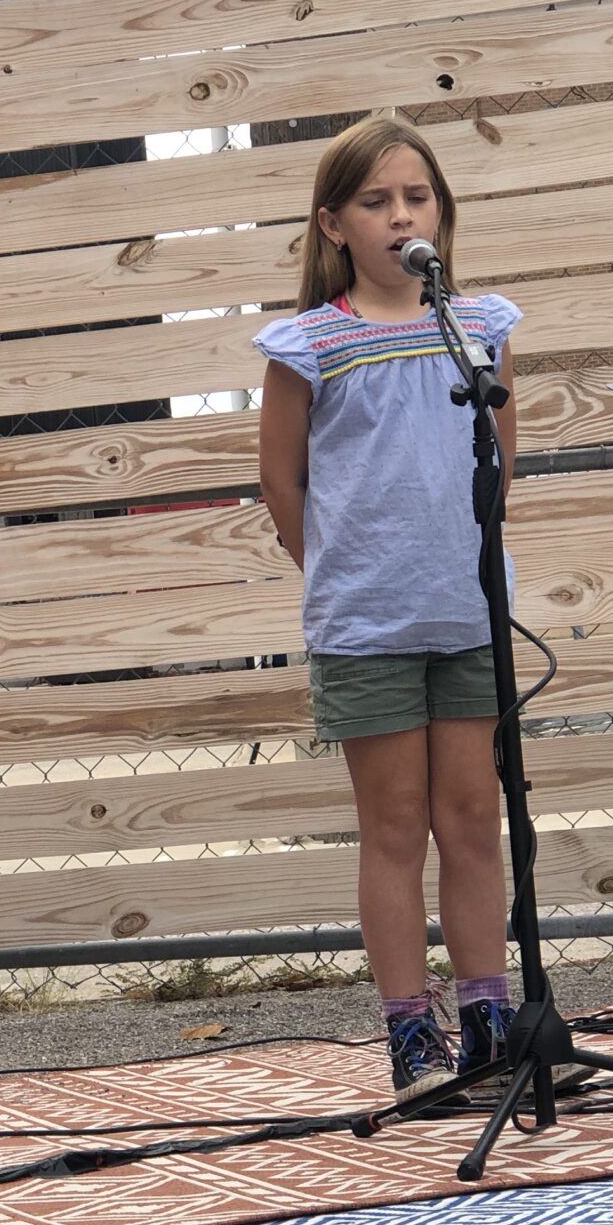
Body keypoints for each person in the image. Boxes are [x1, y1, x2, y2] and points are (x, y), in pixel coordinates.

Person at [255, 115, 520, 1104]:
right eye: (377, 201)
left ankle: (492, 1017)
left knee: (472, 814)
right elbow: (283, 483)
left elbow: (501, 455)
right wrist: (340, 568)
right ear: (335, 225)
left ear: (442, 214)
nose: (402, 214)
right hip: (367, 625)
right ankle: (413, 1033)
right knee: (396, 824)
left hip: (468, 613)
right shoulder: (310, 344)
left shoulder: (481, 326)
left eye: (417, 197)